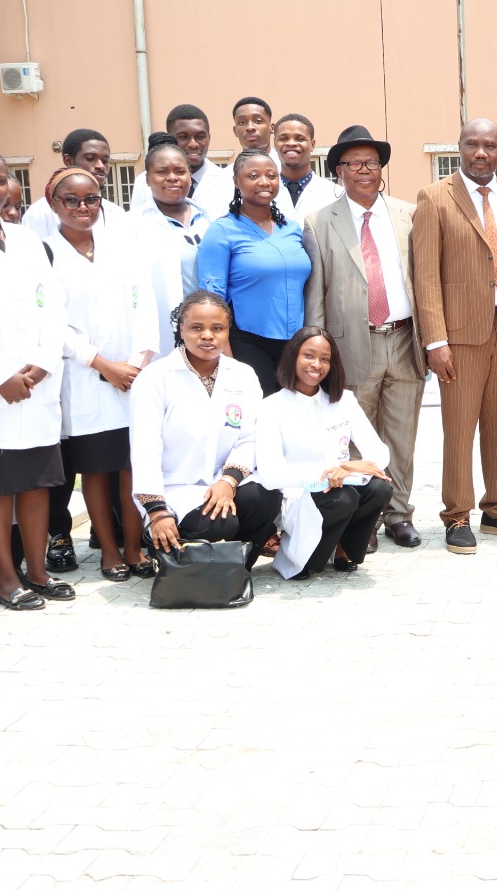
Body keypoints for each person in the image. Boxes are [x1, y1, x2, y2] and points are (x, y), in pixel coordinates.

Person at [411, 118, 497, 552]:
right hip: (459, 336)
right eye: (472, 144)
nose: (481, 152)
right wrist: (435, 340)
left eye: (490, 145)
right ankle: (457, 514)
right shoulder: (435, 198)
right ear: (459, 148)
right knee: (460, 428)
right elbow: (426, 275)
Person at [0, 146, 71, 610]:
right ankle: (6, 578)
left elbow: (54, 304)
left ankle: (38, 571)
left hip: (38, 382)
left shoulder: (25, 240)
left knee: (37, 482)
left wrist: (44, 363)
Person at [303, 125, 425, 549]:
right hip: (351, 343)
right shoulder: (319, 223)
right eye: (354, 163)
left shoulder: (410, 215)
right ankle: (364, 520)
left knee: (402, 435)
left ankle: (399, 514)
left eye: (371, 162)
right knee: (354, 435)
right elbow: (316, 292)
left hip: (406, 339)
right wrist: (319, 349)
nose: (364, 170)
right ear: (339, 170)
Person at [46, 165, 161, 582]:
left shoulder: (121, 246)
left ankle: (135, 549)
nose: (82, 207)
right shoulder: (44, 253)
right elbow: (50, 322)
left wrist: (138, 360)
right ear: (53, 204)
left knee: (133, 465)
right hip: (84, 377)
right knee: (95, 470)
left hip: (133, 374)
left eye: (90, 199)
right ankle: (110, 551)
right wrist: (100, 362)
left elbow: (144, 304)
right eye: (71, 200)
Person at [131, 291, 282, 569]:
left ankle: (236, 569)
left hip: (223, 480)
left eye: (217, 328)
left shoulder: (243, 375)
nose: (207, 336)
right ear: (181, 329)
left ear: (227, 332)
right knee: (219, 523)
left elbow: (251, 437)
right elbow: (145, 448)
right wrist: (156, 510)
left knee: (266, 496)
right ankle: (170, 552)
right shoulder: (155, 378)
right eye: (197, 328)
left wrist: (228, 481)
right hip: (175, 488)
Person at [255, 326, 394, 578]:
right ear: (292, 357)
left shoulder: (344, 401)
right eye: (308, 355)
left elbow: (380, 454)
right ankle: (303, 556)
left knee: (380, 488)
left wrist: (348, 468)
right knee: (344, 498)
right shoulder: (271, 407)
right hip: (298, 496)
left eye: (325, 359)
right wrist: (329, 472)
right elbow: (270, 474)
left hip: (341, 486)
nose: (316, 364)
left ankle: (342, 546)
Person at [198, 149, 310, 395]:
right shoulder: (222, 231)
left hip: (294, 343)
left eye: (271, 175)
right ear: (237, 181)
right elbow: (211, 297)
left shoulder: (291, 229)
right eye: (253, 175)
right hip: (247, 342)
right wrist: (224, 353)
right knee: (259, 417)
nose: (264, 182)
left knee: (292, 417)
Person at [133, 133, 210, 360]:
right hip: (161, 335)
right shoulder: (132, 225)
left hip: (208, 329)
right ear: (147, 179)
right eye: (161, 172)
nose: (172, 178)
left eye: (180, 171)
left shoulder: (207, 218)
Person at [130, 104, 234, 219]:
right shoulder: (144, 181)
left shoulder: (228, 182)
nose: (193, 144)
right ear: (171, 138)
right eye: (183, 137)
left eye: (200, 136)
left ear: (209, 138)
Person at [21, 128, 125, 240]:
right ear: (68, 161)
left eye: (105, 161)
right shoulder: (39, 213)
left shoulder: (116, 213)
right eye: (90, 158)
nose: (101, 166)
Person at [273, 114, 339, 220]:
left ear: (312, 145)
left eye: (300, 138)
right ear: (275, 143)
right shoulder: (262, 193)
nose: (291, 143)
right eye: (283, 138)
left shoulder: (335, 195)